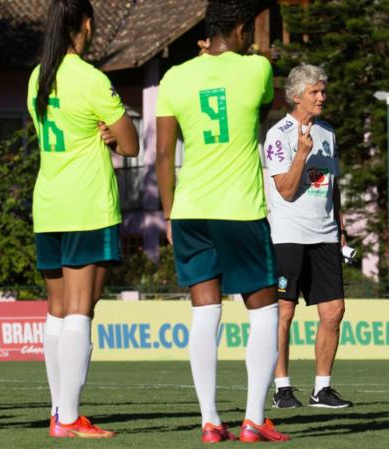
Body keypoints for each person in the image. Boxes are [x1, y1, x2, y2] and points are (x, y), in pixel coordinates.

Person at [155, 0, 288, 443]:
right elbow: (264, 111)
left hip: (190, 210)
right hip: (240, 210)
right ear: (239, 27)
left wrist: (169, 213)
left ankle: (211, 421)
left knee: (205, 312)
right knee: (264, 310)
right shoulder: (257, 69)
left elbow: (162, 155)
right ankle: (253, 419)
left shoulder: (175, 76)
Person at [27, 0, 139, 438]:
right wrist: (111, 137)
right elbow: (130, 145)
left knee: (57, 312)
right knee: (79, 311)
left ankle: (60, 413)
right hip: (86, 206)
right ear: (86, 24)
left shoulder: (38, 77)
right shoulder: (92, 79)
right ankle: (70, 417)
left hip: (48, 204)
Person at [264, 65, 353, 409]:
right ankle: (282, 388)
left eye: (323, 91)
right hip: (288, 236)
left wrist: (341, 232)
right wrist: (302, 153)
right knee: (284, 312)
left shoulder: (329, 133)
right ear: (297, 95)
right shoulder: (278, 134)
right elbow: (285, 191)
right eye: (315, 92)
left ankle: (322, 389)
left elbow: (334, 188)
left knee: (334, 311)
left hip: (325, 236)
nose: (322, 97)